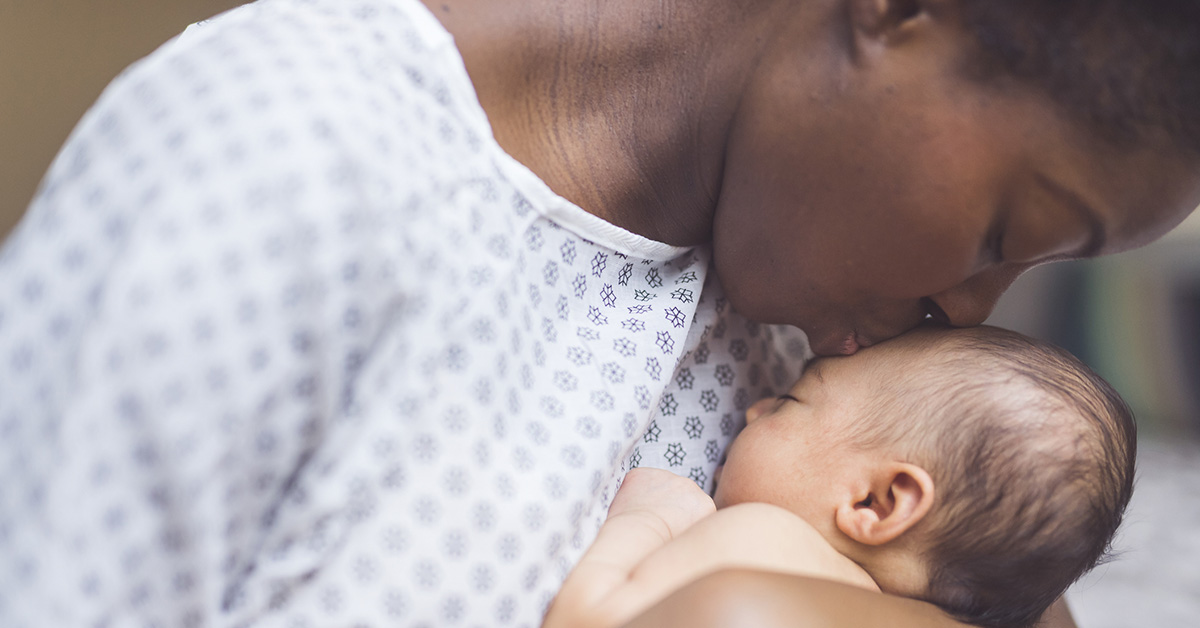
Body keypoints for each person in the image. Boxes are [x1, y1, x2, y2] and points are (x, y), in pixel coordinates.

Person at [0, 0, 1196, 626]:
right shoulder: (287, 159)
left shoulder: (838, 329)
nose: (971, 305)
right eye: (1000, 234)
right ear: (897, 9)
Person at [543, 324, 1135, 628]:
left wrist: (652, 513)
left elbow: (587, 620)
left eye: (790, 401)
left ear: (876, 504)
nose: (754, 408)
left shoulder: (765, 542)